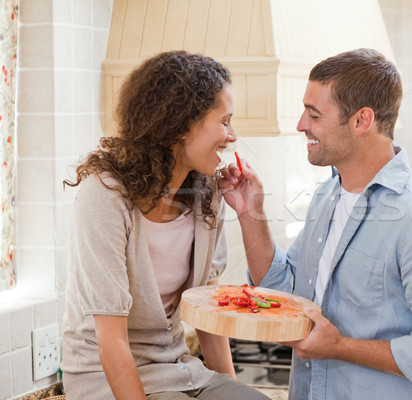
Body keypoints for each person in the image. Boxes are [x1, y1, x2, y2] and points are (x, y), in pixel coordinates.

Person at [219, 48, 412, 399]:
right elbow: (287, 296)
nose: (301, 124)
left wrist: (341, 346)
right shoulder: (327, 196)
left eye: (314, 115)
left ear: (361, 121)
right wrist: (249, 213)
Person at [60, 50, 269, 400]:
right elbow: (110, 341)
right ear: (183, 124)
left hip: (181, 370)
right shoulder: (106, 194)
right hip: (107, 378)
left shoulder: (207, 193)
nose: (232, 135)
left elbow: (208, 309)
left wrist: (232, 389)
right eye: (225, 121)